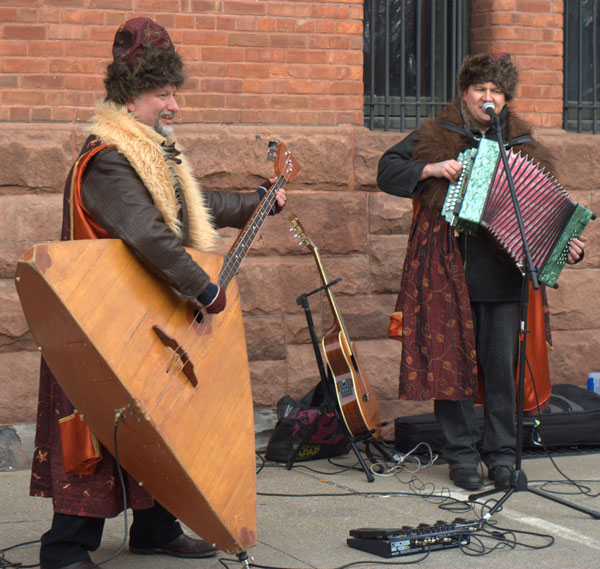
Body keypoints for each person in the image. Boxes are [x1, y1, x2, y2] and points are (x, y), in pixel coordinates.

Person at [30, 17, 286, 569]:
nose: (175, 106)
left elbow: (186, 206)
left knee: (153, 422)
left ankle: (153, 527)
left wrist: (255, 201)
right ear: (130, 97)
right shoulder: (110, 158)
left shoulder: (145, 153)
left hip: (138, 317)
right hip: (99, 326)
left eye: (175, 94)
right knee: (99, 427)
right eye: (163, 94)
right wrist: (203, 287)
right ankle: (65, 549)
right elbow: (148, 232)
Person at [377, 54, 586, 492]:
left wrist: (566, 245)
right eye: (480, 90)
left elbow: (542, 213)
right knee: (451, 365)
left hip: (505, 280)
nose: (487, 98)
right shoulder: (438, 135)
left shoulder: (523, 145)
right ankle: (461, 456)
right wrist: (431, 168)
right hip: (449, 273)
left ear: (505, 99)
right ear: (465, 93)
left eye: (496, 92)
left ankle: (502, 456)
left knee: (501, 367)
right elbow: (387, 170)